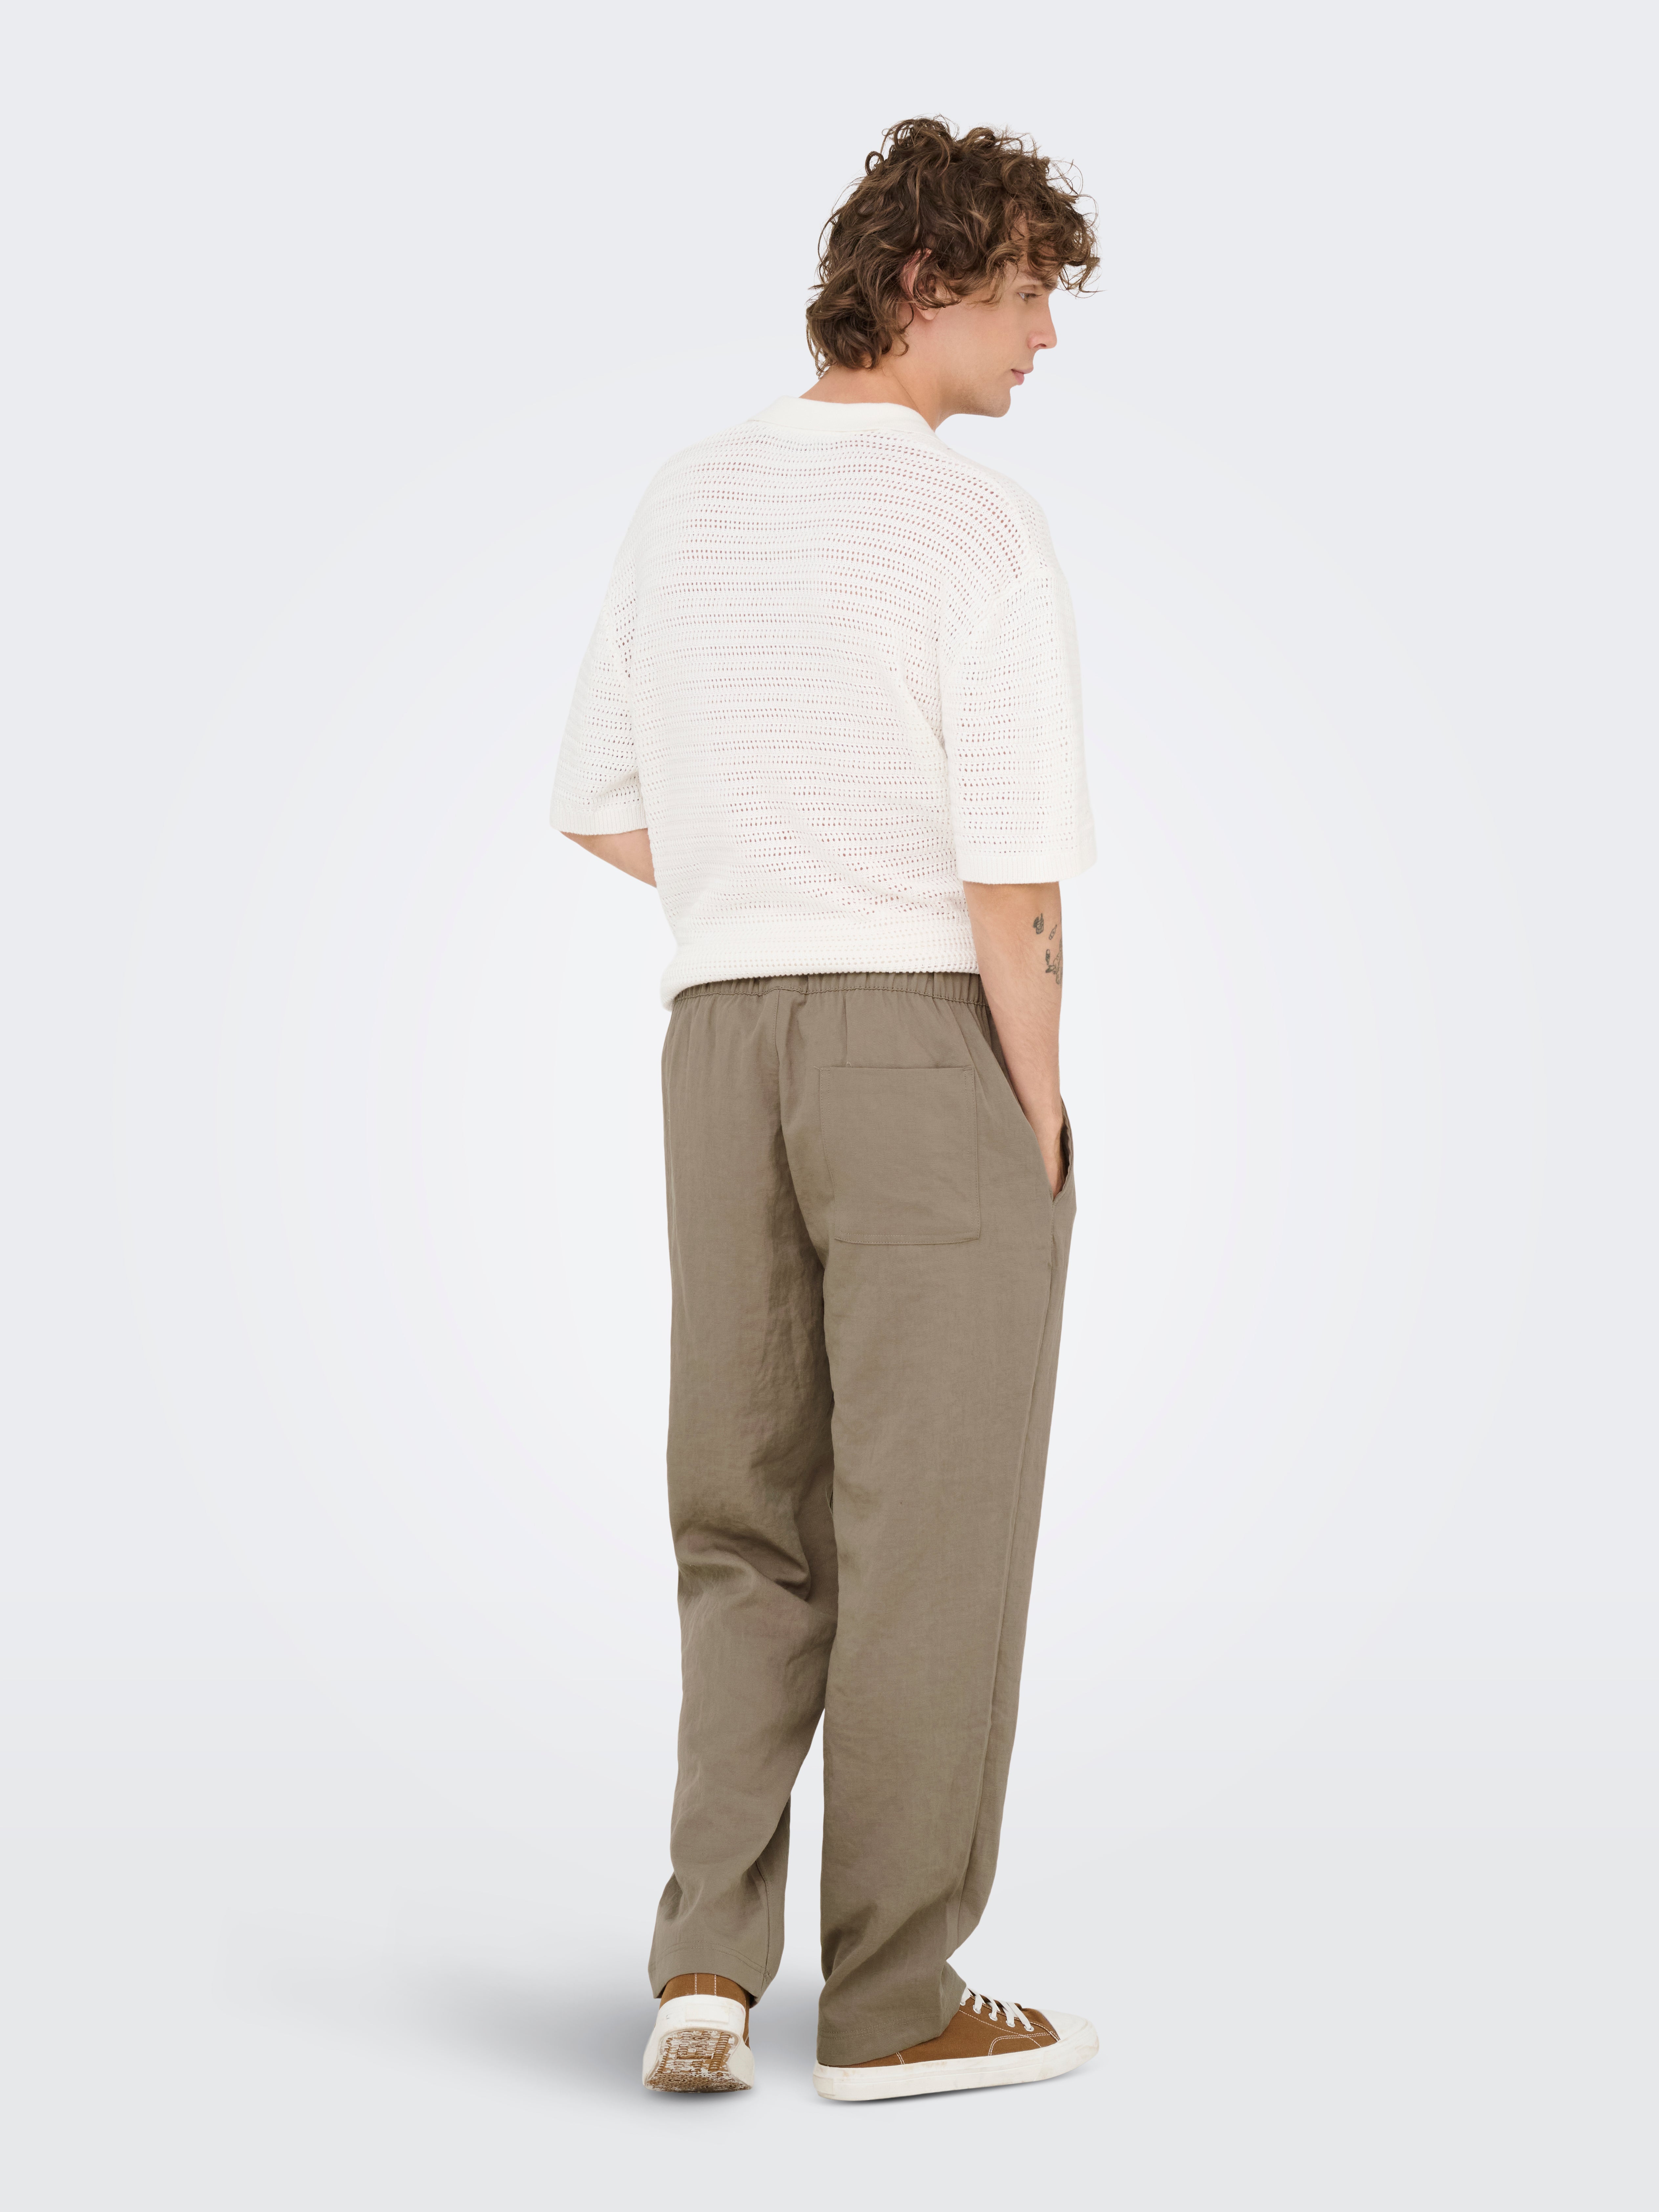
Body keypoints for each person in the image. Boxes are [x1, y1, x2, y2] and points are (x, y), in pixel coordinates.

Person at [552, 116, 1100, 2102]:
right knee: (931, 1526)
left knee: (745, 1512)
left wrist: (761, 886)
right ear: (926, 283)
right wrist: (1038, 1120)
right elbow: (1013, 887)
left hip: (719, 1043)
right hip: (920, 1038)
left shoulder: (684, 497)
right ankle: (888, 2002)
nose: (1047, 336)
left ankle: (706, 1965)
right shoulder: (973, 525)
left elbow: (602, 803)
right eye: (1026, 292)